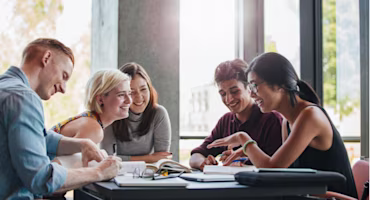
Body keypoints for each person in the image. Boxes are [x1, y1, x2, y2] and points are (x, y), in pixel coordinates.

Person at [207, 52, 357, 198]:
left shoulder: (309, 115)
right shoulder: (287, 122)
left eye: (254, 86)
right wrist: (248, 153)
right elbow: (281, 172)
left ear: (279, 85)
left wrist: (244, 139)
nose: (252, 94)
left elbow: (272, 168)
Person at [0, 38, 121, 199]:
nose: (63, 89)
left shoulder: (6, 89)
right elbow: (40, 179)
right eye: (64, 76)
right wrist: (98, 172)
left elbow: (37, 137)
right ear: (46, 58)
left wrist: (83, 144)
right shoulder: (24, 98)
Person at [189, 59, 283, 171]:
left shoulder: (271, 119)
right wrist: (203, 163)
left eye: (234, 91)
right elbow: (196, 155)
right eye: (223, 94)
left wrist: (239, 160)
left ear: (249, 88)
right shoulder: (226, 121)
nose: (228, 99)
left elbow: (275, 167)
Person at [101, 62, 172, 163]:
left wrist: (126, 159)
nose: (139, 97)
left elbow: (162, 158)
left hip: (148, 174)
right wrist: (150, 158)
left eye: (143, 89)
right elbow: (108, 158)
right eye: (131, 92)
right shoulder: (112, 114)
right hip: (117, 174)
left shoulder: (158, 113)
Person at [50, 69, 132, 144]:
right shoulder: (93, 129)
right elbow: (60, 160)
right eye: (121, 95)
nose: (129, 100)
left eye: (129, 93)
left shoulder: (91, 120)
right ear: (100, 99)